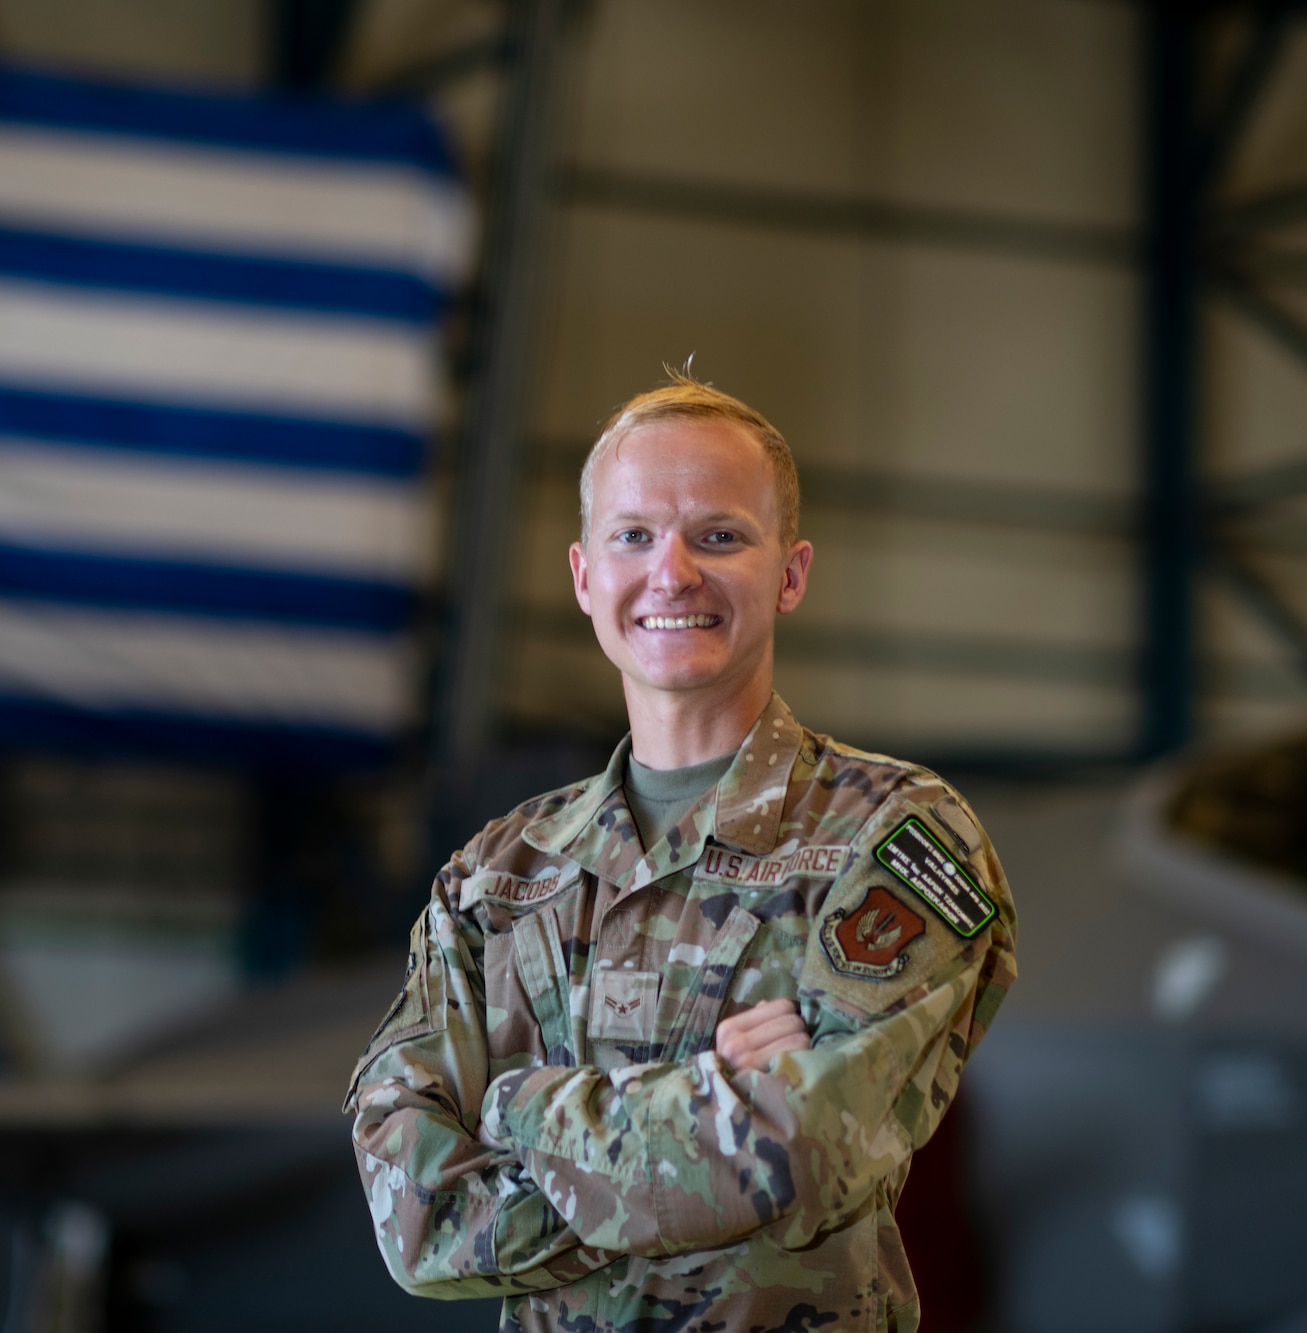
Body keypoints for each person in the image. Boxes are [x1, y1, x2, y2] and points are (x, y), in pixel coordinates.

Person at [344, 373, 1018, 1332]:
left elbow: (803, 1150)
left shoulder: (895, 834)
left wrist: (519, 1108)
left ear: (790, 572)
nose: (672, 572)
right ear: (585, 577)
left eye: (719, 535)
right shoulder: (499, 875)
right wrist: (710, 1097)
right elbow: (414, 1222)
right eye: (633, 536)